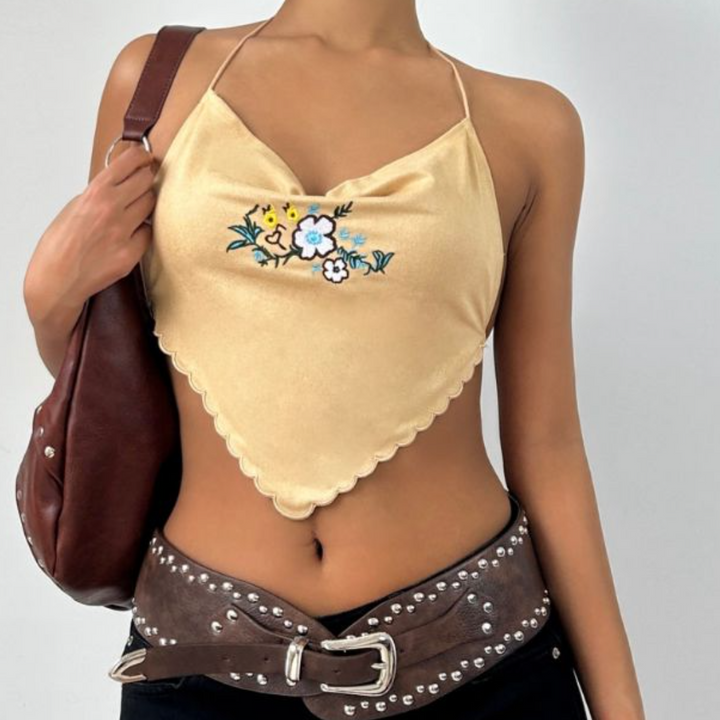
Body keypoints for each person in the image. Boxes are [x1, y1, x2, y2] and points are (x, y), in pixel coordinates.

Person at [22, 1, 645, 719]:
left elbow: (548, 445)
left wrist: (622, 708)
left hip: (479, 671)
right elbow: (107, 389)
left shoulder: (531, 127)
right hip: (200, 669)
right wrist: (47, 302)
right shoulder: (154, 82)